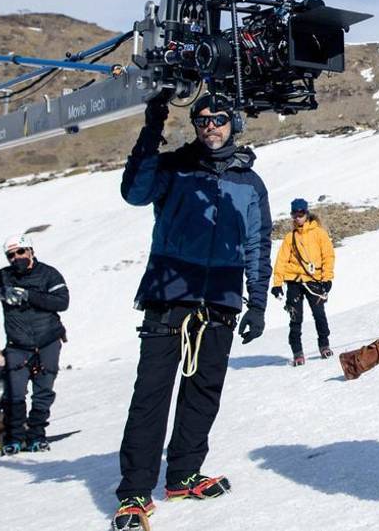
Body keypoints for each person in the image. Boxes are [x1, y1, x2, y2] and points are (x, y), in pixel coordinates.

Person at [110, 92, 271, 531]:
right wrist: (151, 131)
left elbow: (257, 244)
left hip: (220, 299)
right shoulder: (174, 167)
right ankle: (135, 492)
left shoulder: (250, 183)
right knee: (151, 396)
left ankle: (182, 474)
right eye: (201, 120)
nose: (209, 126)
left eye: (218, 119)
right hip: (170, 295)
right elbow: (135, 193)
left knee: (204, 393)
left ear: (233, 123)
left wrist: (256, 303)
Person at [0, 234, 68, 455]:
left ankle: (37, 435)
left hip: (47, 340)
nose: (16, 257)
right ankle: (15, 437)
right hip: (18, 344)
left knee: (43, 392)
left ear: (30, 251)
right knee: (15, 394)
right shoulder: (3, 276)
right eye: (11, 255)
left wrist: (28, 295)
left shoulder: (49, 274)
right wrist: (2, 291)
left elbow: (62, 302)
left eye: (20, 252)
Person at [270, 198, 335, 366]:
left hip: (314, 281)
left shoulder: (319, 233)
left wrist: (327, 279)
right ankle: (297, 352)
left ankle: (324, 345)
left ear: (307, 214)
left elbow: (328, 256)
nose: (298, 217)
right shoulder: (289, 238)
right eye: (295, 214)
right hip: (294, 282)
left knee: (319, 315)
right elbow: (281, 261)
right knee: (295, 318)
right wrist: (277, 284)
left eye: (301, 214)